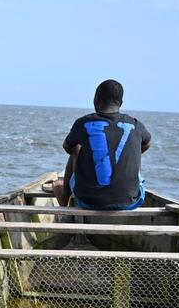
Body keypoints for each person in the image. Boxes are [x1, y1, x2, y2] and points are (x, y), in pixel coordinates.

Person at [53, 79, 151, 210]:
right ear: (121, 103)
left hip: (88, 202)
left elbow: (67, 147)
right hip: (130, 202)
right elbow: (147, 144)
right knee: (134, 149)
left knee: (76, 147)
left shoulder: (83, 123)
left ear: (96, 99)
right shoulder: (135, 124)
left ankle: (65, 194)